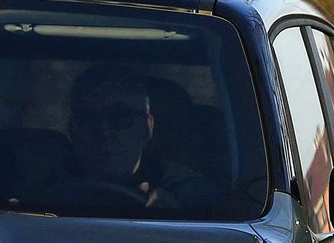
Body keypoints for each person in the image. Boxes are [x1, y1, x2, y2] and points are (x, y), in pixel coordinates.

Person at [66, 65, 220, 210]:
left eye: (121, 117)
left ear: (146, 128)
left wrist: (173, 215)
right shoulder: (49, 183)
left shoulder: (192, 193)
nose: (103, 132)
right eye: (88, 118)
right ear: (72, 130)